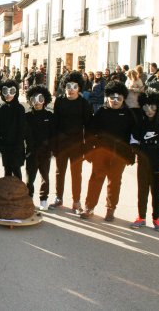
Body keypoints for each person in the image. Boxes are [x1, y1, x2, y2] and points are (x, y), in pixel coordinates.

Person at [80, 81, 136, 222]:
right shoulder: (101, 112)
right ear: (107, 97)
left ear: (123, 99)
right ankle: (89, 207)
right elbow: (90, 131)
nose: (115, 101)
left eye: (119, 98)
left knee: (114, 181)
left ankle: (110, 209)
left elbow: (134, 135)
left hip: (119, 154)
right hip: (101, 152)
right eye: (112, 98)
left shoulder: (128, 114)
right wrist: (89, 150)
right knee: (96, 178)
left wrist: (131, 154)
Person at [129, 90, 159, 231]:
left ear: (158, 107)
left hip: (158, 161)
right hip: (143, 161)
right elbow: (133, 141)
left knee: (157, 190)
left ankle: (156, 218)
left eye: (153, 107)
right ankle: (141, 217)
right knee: (142, 190)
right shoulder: (139, 123)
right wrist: (139, 151)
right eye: (146, 107)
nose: (149, 110)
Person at [51, 71, 93, 214]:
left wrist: (87, 146)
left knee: (76, 173)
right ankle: (59, 198)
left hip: (77, 144)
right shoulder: (59, 101)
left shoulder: (84, 104)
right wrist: (54, 144)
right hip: (61, 143)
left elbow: (88, 127)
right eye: (68, 86)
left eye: (74, 86)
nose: (71, 89)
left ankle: (76, 201)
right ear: (64, 87)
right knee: (59, 172)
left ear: (79, 88)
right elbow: (55, 123)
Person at [25, 85, 55, 210]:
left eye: (40, 99)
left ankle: (43, 199)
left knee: (45, 177)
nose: (37, 102)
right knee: (30, 178)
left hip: (45, 152)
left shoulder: (49, 115)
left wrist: (51, 149)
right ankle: (29, 199)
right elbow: (23, 134)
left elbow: (53, 134)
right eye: (34, 99)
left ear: (45, 100)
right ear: (30, 101)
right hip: (31, 152)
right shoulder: (27, 116)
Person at [0, 80, 25, 179]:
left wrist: (19, 145)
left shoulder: (20, 108)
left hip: (16, 145)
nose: (8, 95)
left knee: (16, 170)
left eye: (11, 91)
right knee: (7, 170)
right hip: (5, 145)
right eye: (5, 92)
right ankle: (6, 189)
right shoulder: (2, 108)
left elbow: (22, 128)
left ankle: (20, 189)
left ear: (15, 92)